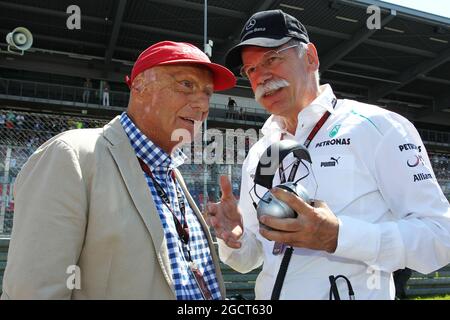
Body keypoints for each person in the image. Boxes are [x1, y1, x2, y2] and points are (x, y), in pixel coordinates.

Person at [206, 10, 450, 300]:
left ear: (310, 57)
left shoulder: (378, 126)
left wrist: (339, 236)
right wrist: (234, 239)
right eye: (251, 69)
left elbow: (440, 236)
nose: (261, 76)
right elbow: (253, 258)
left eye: (272, 59)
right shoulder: (261, 150)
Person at [2, 41, 236, 299]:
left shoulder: (171, 173)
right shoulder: (71, 155)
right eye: (186, 85)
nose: (202, 105)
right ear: (139, 87)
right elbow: (33, 292)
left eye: (207, 93)